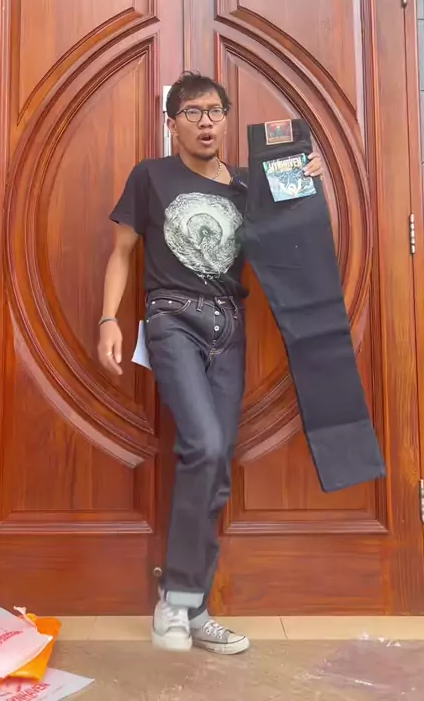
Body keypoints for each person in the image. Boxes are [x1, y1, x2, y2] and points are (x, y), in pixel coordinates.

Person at [98, 72, 323, 655]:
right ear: (172, 123)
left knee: (217, 460)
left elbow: (297, 238)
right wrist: (108, 320)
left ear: (226, 119)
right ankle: (174, 601)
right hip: (172, 319)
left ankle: (193, 607)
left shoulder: (248, 185)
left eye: (215, 111)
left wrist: (307, 181)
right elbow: (122, 252)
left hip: (230, 326)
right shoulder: (151, 176)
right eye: (193, 112)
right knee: (202, 444)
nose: (206, 122)